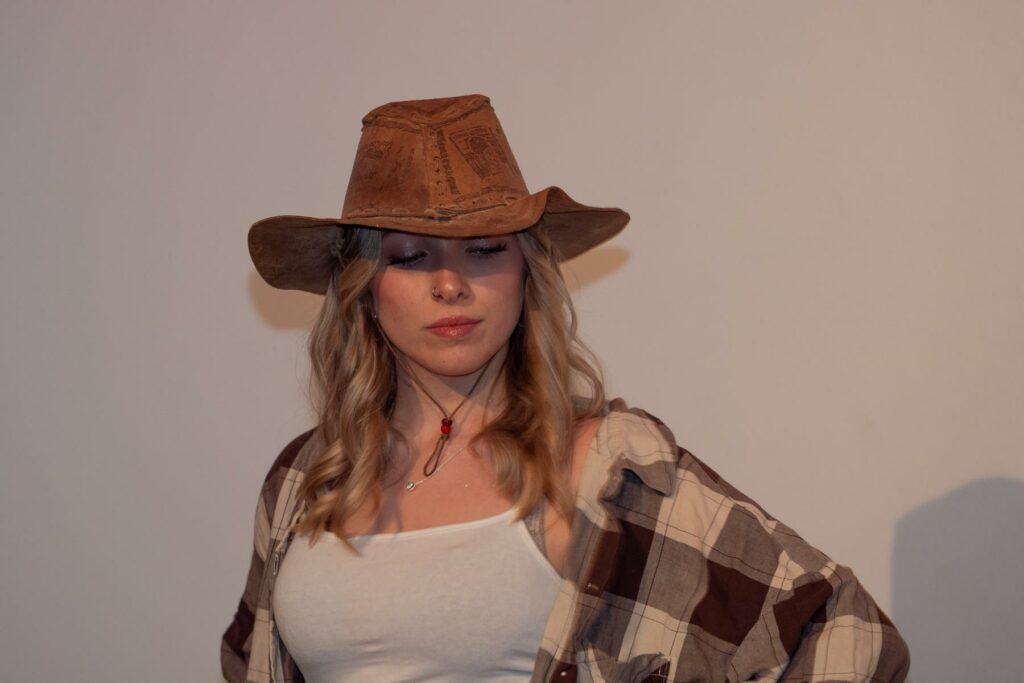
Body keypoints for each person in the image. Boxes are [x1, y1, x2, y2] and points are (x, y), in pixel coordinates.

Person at [222, 94, 909, 683]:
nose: (450, 283)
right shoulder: (305, 478)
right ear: (365, 288)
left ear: (527, 275)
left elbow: (845, 634)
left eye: (485, 249)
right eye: (410, 255)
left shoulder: (604, 470)